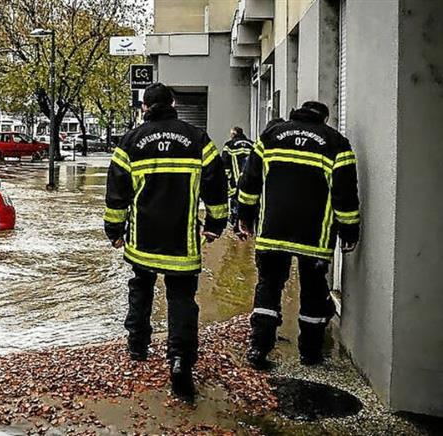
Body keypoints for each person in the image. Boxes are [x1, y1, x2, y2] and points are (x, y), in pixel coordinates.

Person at [103, 83, 228, 400]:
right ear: (173, 103)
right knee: (182, 299)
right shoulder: (198, 139)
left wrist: (114, 231)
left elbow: (117, 194)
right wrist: (216, 224)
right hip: (182, 243)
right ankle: (179, 362)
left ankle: (138, 346)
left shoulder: (130, 142)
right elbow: (216, 187)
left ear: (144, 107)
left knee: (141, 287)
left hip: (143, 239)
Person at [236, 101, 360, 369]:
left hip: (272, 232)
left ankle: (259, 348)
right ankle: (310, 354)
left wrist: (245, 216)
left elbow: (250, 182)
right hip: (314, 236)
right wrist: (350, 230)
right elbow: (345, 194)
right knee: (314, 292)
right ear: (324, 119)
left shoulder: (269, 138)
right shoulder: (336, 143)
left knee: (268, 287)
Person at [221, 127, 253, 232]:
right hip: (250, 179)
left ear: (234, 134)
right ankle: (248, 224)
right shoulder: (252, 144)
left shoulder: (229, 145)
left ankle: (235, 222)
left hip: (236, 180)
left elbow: (225, 163)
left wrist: (227, 178)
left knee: (235, 199)